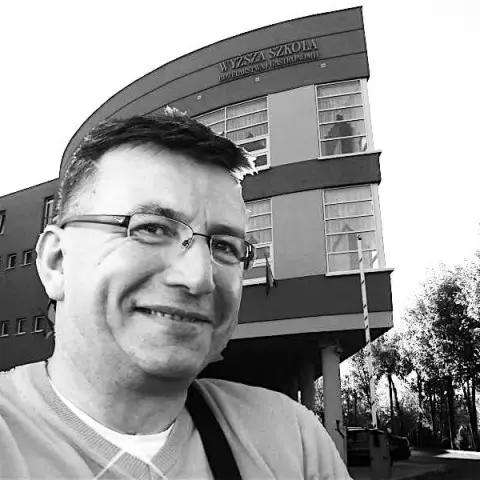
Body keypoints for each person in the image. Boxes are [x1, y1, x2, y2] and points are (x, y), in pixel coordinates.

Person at [0, 111, 351, 479]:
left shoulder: (291, 442)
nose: (199, 278)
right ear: (57, 262)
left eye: (225, 246)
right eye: (151, 228)